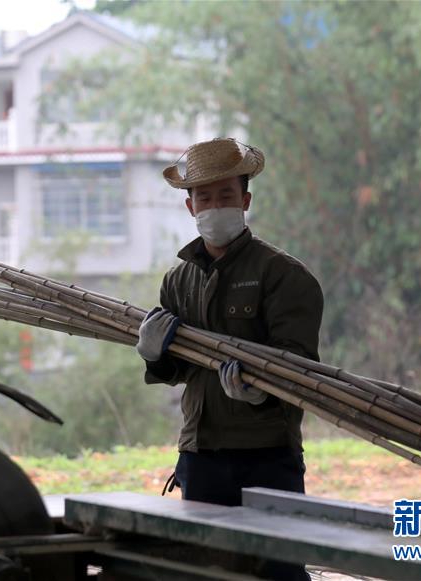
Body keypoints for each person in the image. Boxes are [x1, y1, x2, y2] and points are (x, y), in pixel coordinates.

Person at [136, 137, 323, 581]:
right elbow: (179, 370)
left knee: (278, 570)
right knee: (209, 571)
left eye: (225, 195)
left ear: (245, 201)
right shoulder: (178, 281)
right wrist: (154, 357)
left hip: (267, 455)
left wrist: (261, 393)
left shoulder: (283, 275)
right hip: (201, 453)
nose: (215, 206)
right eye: (205, 198)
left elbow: (300, 366)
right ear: (190, 207)